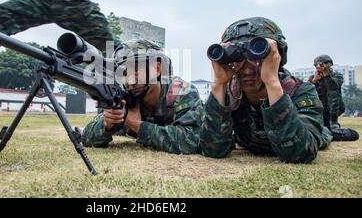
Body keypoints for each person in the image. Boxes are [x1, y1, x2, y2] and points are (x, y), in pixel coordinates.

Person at [200, 17, 333, 164]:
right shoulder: (229, 95)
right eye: (238, 58)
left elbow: (300, 153)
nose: (247, 69)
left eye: (256, 56)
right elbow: (213, 149)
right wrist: (219, 84)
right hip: (253, 142)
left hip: (309, 131)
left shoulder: (300, 91)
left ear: (277, 57)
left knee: (325, 133)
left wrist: (272, 82)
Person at [82, 39, 205, 155]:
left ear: (157, 69)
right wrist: (107, 125)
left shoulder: (180, 91)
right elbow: (86, 137)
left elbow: (193, 141)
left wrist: (137, 125)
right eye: (124, 73)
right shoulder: (125, 96)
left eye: (137, 69)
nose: (130, 80)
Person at [308, 55, 359, 141]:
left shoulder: (337, 76)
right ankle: (328, 130)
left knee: (333, 91)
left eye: (322, 64)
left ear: (330, 64)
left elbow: (334, 86)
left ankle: (333, 122)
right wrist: (314, 81)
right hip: (320, 110)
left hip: (334, 109)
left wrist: (326, 75)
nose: (319, 66)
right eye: (317, 65)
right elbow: (306, 91)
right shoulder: (313, 78)